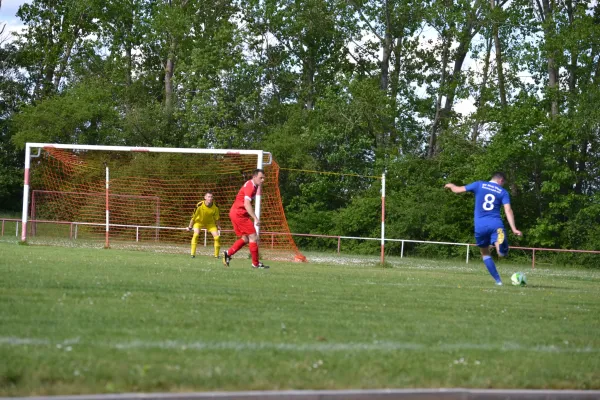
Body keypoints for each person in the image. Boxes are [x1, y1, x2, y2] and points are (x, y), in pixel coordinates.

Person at [445, 172, 522, 285]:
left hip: (480, 226)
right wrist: (514, 228)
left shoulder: (479, 184)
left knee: (485, 254)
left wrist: (451, 185)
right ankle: (500, 245)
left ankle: (498, 281)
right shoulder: (503, 192)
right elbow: (508, 210)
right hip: (496, 224)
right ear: (501, 180)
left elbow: (457, 190)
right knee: (502, 254)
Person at [222, 169, 270, 269]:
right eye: (261, 178)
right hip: (239, 214)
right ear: (254, 177)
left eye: (264, 178)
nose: (263, 180)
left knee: (245, 239)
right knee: (254, 238)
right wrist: (255, 218)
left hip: (235, 213)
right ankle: (255, 264)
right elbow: (246, 203)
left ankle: (228, 253)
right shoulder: (250, 186)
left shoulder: (253, 185)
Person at [186, 191, 221, 258]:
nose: (210, 198)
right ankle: (192, 254)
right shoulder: (199, 205)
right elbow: (193, 217)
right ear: (205, 197)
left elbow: (217, 218)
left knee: (217, 237)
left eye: (211, 197)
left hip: (210, 223)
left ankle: (216, 256)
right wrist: (190, 227)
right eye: (208, 197)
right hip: (199, 222)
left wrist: (218, 226)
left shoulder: (215, 207)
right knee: (196, 235)